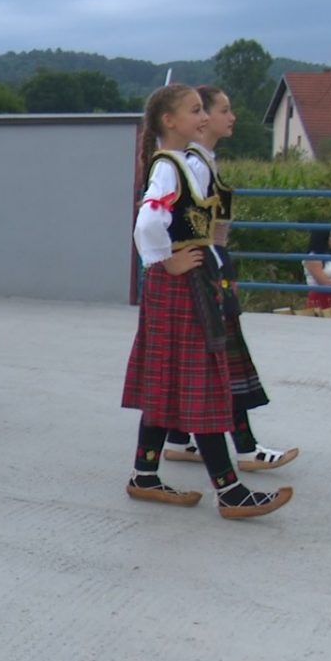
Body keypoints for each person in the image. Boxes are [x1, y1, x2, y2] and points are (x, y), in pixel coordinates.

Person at [122, 84, 292, 520]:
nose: (203, 117)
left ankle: (144, 474)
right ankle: (229, 490)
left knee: (170, 378)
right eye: (196, 110)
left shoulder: (181, 163)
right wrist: (166, 262)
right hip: (178, 285)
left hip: (184, 284)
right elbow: (146, 224)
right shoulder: (170, 167)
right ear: (169, 121)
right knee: (200, 383)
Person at [162, 86, 298, 474]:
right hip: (205, 270)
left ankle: (176, 438)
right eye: (224, 109)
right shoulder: (193, 165)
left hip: (213, 264)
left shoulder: (204, 161)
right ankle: (245, 448)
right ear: (201, 116)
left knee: (201, 363)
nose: (231, 116)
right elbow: (185, 227)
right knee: (221, 364)